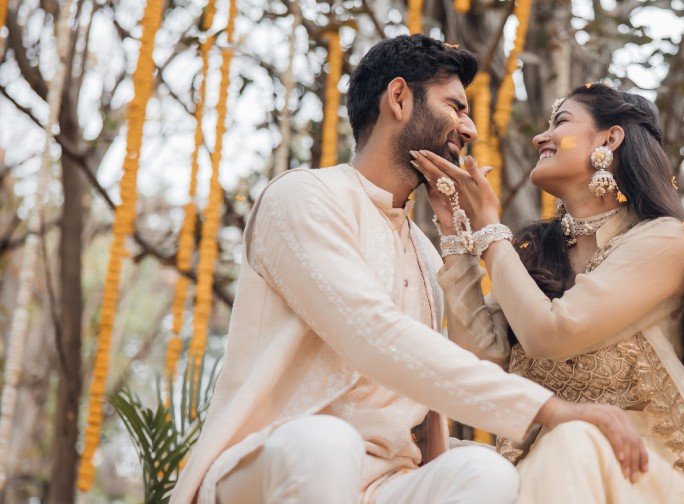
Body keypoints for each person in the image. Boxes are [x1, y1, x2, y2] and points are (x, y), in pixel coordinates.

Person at [170, 36, 647, 504]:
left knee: (482, 470)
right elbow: (375, 335)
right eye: (455, 107)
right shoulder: (303, 197)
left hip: (385, 483)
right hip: (272, 467)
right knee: (325, 444)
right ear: (399, 98)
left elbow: (424, 402)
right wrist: (551, 410)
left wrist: (461, 239)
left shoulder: (422, 249)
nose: (470, 129)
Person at [412, 82, 684, 503]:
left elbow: (552, 333)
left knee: (573, 440)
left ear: (610, 139)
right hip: (544, 471)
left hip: (637, 475)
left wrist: (489, 231)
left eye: (560, 122)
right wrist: (454, 232)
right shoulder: (537, 250)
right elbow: (479, 358)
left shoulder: (665, 240)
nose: (541, 138)